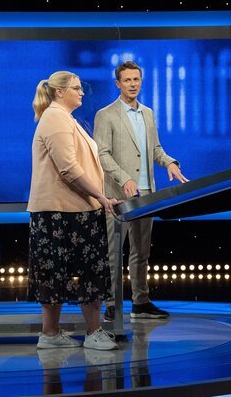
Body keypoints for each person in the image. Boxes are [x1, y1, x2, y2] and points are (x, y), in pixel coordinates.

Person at [27, 71, 120, 351]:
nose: (82, 92)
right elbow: (68, 168)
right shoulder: (55, 117)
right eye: (76, 88)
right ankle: (88, 333)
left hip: (73, 209)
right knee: (66, 272)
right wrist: (102, 197)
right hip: (61, 212)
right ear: (59, 92)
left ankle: (53, 334)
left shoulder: (64, 118)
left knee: (61, 272)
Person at [93, 61, 188, 321]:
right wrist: (124, 179)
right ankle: (113, 303)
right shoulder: (106, 114)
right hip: (118, 194)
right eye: (127, 80)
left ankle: (141, 300)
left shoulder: (148, 113)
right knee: (115, 252)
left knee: (141, 251)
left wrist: (169, 162)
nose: (132, 84)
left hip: (146, 193)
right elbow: (102, 154)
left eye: (136, 79)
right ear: (118, 84)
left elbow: (155, 149)